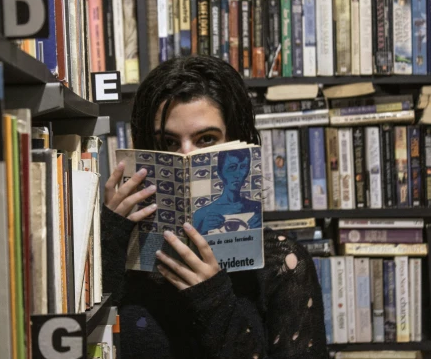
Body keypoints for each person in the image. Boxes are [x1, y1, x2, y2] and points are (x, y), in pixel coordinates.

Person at [101, 55, 327, 359]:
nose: (186, 155)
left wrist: (213, 297)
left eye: (206, 139)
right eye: (168, 142)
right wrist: (109, 237)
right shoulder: (121, 253)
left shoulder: (283, 265)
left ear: (238, 142)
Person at [192, 148, 262, 235]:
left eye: (243, 167)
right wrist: (203, 231)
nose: (238, 174)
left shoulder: (257, 208)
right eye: (232, 167)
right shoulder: (201, 215)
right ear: (220, 172)